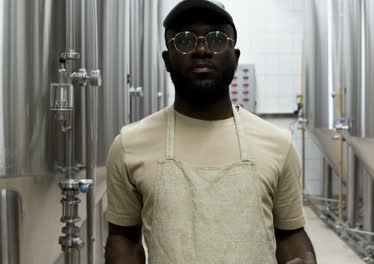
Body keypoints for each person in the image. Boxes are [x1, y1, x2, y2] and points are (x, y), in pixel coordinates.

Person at [104, 0, 317, 263]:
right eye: (184, 40)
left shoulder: (277, 144)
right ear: (167, 59)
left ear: (235, 58)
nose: (202, 49)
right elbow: (123, 237)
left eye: (216, 39)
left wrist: (304, 258)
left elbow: (290, 234)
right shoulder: (129, 145)